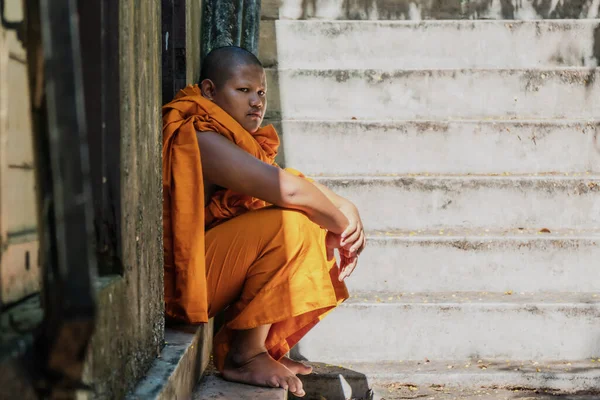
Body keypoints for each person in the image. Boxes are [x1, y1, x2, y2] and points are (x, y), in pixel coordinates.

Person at [162, 46, 366, 397]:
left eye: (261, 93)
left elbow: (287, 180)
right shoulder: (201, 137)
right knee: (293, 227)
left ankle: (259, 349)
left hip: (199, 273)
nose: (256, 102)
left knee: (305, 218)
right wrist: (340, 226)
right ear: (210, 91)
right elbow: (288, 191)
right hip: (172, 287)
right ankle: (245, 355)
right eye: (243, 91)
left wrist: (348, 209)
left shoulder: (232, 138)